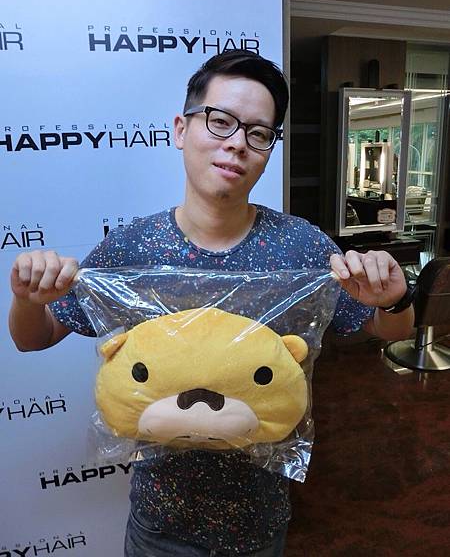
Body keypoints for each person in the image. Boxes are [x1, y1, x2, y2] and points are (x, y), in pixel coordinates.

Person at [9, 49, 414, 557]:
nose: (237, 144)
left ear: (269, 149)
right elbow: (35, 337)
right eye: (220, 121)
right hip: (159, 525)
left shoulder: (302, 247)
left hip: (260, 523)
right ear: (182, 129)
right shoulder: (131, 248)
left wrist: (394, 300)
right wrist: (28, 300)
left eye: (258, 133)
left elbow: (388, 329)